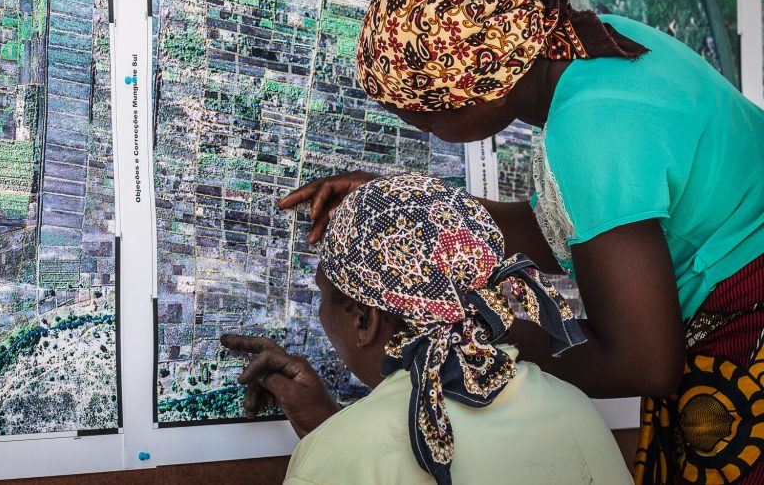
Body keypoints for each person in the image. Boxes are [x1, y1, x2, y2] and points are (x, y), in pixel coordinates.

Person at [272, 0, 764, 484]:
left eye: (426, 121)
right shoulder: (596, 45)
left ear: (480, 91)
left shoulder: (589, 130)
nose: (431, 134)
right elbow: (580, 227)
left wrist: (486, 339)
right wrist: (407, 213)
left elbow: (644, 362)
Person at [223, 173, 632, 484]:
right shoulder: (574, 408)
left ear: (365, 319)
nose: (320, 311)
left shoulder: (338, 457)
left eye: (325, 295)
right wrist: (333, 429)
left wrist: (333, 444)